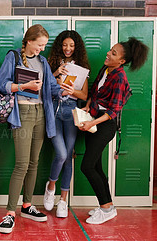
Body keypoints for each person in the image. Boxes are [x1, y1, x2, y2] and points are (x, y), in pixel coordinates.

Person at [0, 24, 75, 234]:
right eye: (40, 44)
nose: (42, 49)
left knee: (34, 163)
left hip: (41, 113)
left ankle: (27, 205)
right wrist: (24, 86)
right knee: (21, 164)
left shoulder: (42, 62)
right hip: (22, 114)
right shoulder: (12, 57)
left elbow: (51, 88)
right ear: (29, 41)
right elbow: (1, 85)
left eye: (44, 45)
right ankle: (9, 214)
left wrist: (64, 91)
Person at [79, 37, 148, 224]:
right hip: (94, 119)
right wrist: (87, 106)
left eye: (114, 53)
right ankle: (108, 205)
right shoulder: (106, 69)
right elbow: (94, 91)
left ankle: (106, 208)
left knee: (86, 166)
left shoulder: (119, 77)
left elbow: (113, 110)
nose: (108, 54)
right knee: (97, 166)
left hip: (105, 125)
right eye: (110, 50)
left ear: (122, 62)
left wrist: (93, 123)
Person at [43, 30, 90, 218]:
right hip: (54, 110)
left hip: (71, 112)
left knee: (68, 155)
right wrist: (55, 72)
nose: (68, 49)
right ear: (59, 46)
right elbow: (44, 86)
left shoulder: (81, 68)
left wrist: (72, 90)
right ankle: (51, 186)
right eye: (64, 45)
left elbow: (85, 95)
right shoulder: (51, 63)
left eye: (71, 45)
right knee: (61, 154)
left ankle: (63, 201)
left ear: (76, 47)